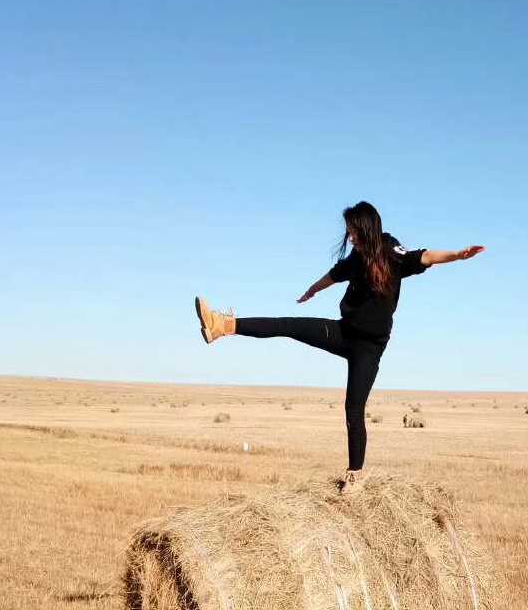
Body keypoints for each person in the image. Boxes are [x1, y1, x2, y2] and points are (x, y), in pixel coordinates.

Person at [195, 201, 484, 491]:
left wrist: (458, 255)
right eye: (348, 231)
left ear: (367, 228)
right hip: (343, 333)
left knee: (353, 409)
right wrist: (312, 290)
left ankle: (354, 476)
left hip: (369, 349)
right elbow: (332, 276)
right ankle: (222, 326)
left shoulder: (390, 251)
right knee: (288, 325)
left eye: (354, 231)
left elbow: (426, 256)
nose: (350, 237)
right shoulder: (355, 259)